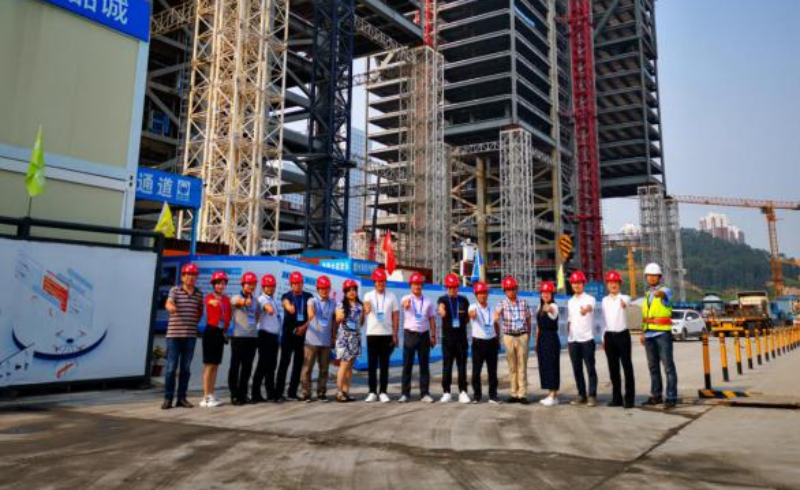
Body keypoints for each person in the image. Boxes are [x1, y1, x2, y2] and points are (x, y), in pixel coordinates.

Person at [162, 262, 204, 409]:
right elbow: (168, 303)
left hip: (190, 336)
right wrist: (171, 308)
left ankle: (182, 398)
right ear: (183, 276)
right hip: (174, 336)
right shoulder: (175, 290)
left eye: (194, 275)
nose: (191, 277)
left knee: (185, 369)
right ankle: (168, 398)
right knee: (171, 368)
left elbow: (200, 311)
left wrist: (193, 323)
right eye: (188, 275)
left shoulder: (199, 293)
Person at [641, 262, 678, 409]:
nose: (651, 278)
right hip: (649, 335)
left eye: (654, 275)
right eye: (649, 275)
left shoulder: (666, 291)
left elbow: (665, 295)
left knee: (668, 367)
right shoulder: (647, 295)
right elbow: (646, 316)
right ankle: (656, 395)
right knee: (653, 367)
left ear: (659, 277)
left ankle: (671, 397)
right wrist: (643, 333)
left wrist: (660, 294)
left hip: (662, 334)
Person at [276, 271, 314, 401]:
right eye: (295, 283)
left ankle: (292, 392)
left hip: (302, 335)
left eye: (299, 283)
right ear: (291, 284)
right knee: (284, 364)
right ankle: (278, 393)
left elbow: (312, 316)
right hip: (288, 335)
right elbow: (285, 303)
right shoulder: (287, 296)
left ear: (302, 284)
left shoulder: (308, 296)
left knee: (298, 365)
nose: (297, 285)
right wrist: (289, 307)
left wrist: (304, 327)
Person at [399, 272, 437, 403]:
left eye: (419, 284)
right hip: (410, 334)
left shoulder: (428, 302)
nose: (417, 287)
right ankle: (405, 393)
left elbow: (432, 319)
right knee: (407, 365)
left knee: (424, 365)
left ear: (422, 286)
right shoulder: (406, 298)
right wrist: (405, 305)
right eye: (415, 284)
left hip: (424, 335)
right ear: (411, 285)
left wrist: (433, 335)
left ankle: (424, 393)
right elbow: (404, 304)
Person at [494, 276, 532, 404]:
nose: (510, 291)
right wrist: (495, 316)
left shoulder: (524, 302)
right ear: (505, 291)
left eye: (512, 288)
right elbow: (496, 314)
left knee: (522, 365)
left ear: (516, 289)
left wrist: (528, 334)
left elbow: (529, 319)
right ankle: (513, 393)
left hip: (522, 335)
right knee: (512, 366)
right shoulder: (501, 304)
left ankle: (522, 394)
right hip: (509, 336)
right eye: (508, 289)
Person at [363, 268, 399, 403]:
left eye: (382, 281)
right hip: (372, 334)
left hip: (387, 335)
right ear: (374, 282)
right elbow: (366, 308)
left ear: (385, 282)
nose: (380, 284)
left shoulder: (392, 296)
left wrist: (395, 334)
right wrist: (366, 309)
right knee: (372, 365)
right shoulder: (368, 295)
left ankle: (383, 391)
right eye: (378, 281)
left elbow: (395, 315)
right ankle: (372, 392)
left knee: (384, 365)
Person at [602, 270, 635, 408]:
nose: (613, 285)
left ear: (619, 284)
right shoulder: (604, 300)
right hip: (609, 336)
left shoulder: (625, 298)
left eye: (615, 282)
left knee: (627, 367)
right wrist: (603, 338)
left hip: (622, 335)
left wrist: (624, 304)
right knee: (613, 368)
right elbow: (603, 320)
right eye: (610, 282)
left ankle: (629, 399)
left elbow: (626, 303)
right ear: (607, 285)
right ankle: (617, 398)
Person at [567, 271, 599, 407]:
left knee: (590, 368)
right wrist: (568, 336)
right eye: (574, 283)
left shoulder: (589, 299)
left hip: (587, 339)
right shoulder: (570, 301)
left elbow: (590, 307)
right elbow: (569, 320)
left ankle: (592, 395)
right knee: (577, 369)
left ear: (583, 284)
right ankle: (581, 394)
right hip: (573, 340)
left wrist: (586, 309)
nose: (576, 285)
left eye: (579, 283)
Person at [300, 276, 335, 402]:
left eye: (326, 288)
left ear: (329, 289)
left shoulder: (333, 303)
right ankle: (306, 393)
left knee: (324, 369)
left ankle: (321, 393)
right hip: (311, 341)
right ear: (317, 289)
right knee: (307, 368)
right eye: (321, 288)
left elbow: (335, 320)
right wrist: (311, 313)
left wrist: (334, 336)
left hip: (325, 341)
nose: (324, 290)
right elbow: (310, 311)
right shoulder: (312, 300)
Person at [438, 273, 471, 403]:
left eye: (455, 287)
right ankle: (446, 392)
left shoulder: (464, 300)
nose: (452, 289)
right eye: (450, 287)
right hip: (447, 340)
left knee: (462, 367)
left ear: (458, 287)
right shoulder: (443, 299)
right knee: (447, 366)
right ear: (447, 287)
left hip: (461, 340)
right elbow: (441, 307)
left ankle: (463, 391)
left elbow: (467, 319)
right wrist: (442, 310)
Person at [200, 271, 231, 408]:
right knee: (209, 365)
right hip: (211, 331)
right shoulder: (209, 297)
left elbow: (228, 314)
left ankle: (211, 394)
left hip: (220, 332)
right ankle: (205, 397)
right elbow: (208, 302)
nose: (220, 286)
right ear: (213, 284)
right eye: (218, 283)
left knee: (216, 365)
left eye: (223, 283)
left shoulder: (226, 299)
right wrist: (213, 302)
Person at [229, 272, 260, 405]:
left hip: (252, 338)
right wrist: (244, 302)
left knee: (247, 367)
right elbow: (236, 302)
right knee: (235, 366)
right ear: (243, 284)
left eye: (253, 284)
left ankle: (243, 394)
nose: (251, 286)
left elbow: (257, 316)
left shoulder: (256, 301)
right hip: (239, 338)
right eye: (249, 284)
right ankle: (234, 395)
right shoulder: (236, 297)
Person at [333, 279, 365, 402]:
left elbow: (361, 323)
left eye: (354, 290)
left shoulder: (360, 306)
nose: (352, 292)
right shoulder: (340, 305)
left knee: (350, 366)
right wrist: (338, 317)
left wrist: (364, 314)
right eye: (349, 290)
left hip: (355, 339)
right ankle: (339, 392)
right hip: (344, 339)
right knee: (344, 365)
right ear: (345, 292)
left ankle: (346, 392)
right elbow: (337, 320)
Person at [469, 281, 500, 404]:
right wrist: (472, 315)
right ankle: (477, 396)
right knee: (476, 371)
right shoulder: (473, 307)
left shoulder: (492, 309)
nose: (482, 295)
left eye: (484, 293)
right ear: (476, 295)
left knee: (492, 371)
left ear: (487, 295)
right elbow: (471, 315)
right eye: (480, 293)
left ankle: (493, 396)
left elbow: (496, 324)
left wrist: (497, 339)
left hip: (491, 342)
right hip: (478, 343)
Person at [252, 274, 281, 402]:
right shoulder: (262, 299)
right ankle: (255, 393)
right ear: (263, 287)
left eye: (272, 286)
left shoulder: (273, 300)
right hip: (264, 336)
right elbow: (267, 308)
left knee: (272, 366)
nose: (270, 288)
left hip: (274, 337)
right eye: (267, 286)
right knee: (262, 365)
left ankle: (271, 393)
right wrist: (269, 308)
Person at [536, 281, 561, 407]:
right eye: (543, 292)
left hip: (551, 338)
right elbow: (538, 327)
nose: (545, 295)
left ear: (552, 294)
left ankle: (553, 395)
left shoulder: (554, 306)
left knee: (552, 366)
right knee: (545, 366)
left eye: (548, 293)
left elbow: (551, 310)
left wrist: (548, 308)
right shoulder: (539, 307)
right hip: (542, 338)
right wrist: (537, 343)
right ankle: (551, 395)